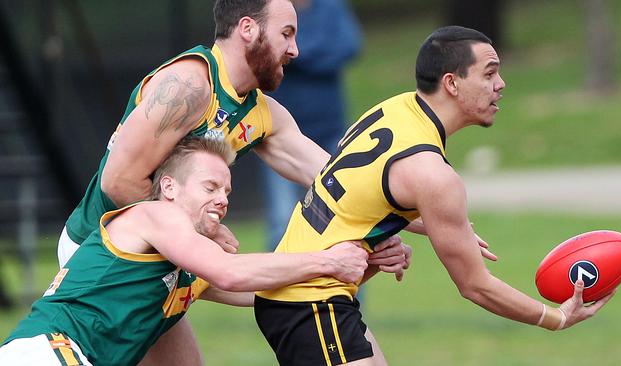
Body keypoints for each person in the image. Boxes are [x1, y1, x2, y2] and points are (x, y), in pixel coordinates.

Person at [54, 1, 411, 365]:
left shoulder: (260, 112)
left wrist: (421, 218)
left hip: (165, 253)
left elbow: (344, 181)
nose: (295, 50)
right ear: (247, 29)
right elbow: (119, 182)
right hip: (103, 254)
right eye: (286, 34)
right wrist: (201, 234)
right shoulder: (189, 86)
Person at [254, 26, 615, 366]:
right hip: (310, 303)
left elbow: (364, 193)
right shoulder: (433, 173)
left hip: (304, 296)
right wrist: (556, 317)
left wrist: (430, 226)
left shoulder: (395, 110)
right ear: (452, 83)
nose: (501, 85)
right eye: (489, 74)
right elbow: (476, 286)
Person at [0, 137, 373, 366]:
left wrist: (360, 263)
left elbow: (266, 291)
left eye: (226, 192)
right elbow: (231, 272)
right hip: (48, 354)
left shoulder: (184, 268)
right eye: (210, 187)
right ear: (170, 187)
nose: (222, 200)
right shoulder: (155, 215)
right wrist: (328, 259)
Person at [262, 0, 362, 248]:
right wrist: (320, 50)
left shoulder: (330, 6)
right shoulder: (268, 8)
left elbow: (349, 46)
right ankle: (273, 285)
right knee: (281, 220)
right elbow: (262, 51)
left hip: (330, 130)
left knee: (345, 214)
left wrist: (296, 55)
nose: (293, 49)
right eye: (287, 36)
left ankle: (348, 285)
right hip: (277, 136)